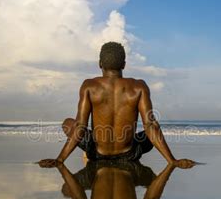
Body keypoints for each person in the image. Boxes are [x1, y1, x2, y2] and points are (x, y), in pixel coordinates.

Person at [39, 42, 195, 168]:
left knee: (68, 123)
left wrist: (60, 159)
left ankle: (89, 154)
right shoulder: (138, 87)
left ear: (100, 64)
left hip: (97, 153)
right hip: (130, 154)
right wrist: (172, 161)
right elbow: (150, 126)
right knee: (153, 126)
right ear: (124, 65)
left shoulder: (89, 86)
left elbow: (80, 126)